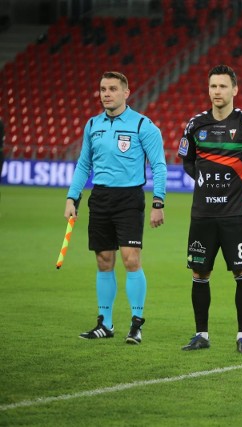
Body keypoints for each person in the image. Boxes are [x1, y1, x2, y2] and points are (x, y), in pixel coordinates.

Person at [66, 71, 167, 345]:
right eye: (102, 89)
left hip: (129, 199)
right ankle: (105, 324)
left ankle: (136, 324)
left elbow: (158, 165)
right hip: (100, 198)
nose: (106, 93)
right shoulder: (92, 125)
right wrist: (72, 198)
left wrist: (158, 202)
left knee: (131, 259)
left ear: (126, 92)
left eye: (112, 89)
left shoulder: (143, 126)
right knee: (103, 261)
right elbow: (83, 164)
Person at [179, 64, 242, 354]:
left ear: (234, 90)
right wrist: (209, 183)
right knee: (199, 273)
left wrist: (237, 187)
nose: (217, 91)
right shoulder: (195, 125)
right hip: (202, 215)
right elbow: (188, 162)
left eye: (222, 86)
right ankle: (201, 334)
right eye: (212, 86)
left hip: (234, 215)